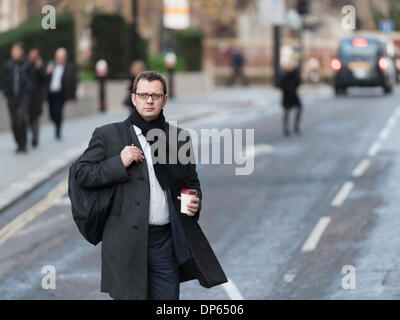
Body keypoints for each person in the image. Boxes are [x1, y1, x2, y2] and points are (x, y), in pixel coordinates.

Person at [73, 71, 227, 300]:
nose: (149, 100)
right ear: (133, 98)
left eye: (155, 95)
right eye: (143, 95)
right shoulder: (109, 135)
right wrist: (119, 162)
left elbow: (191, 182)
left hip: (165, 241)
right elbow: (81, 175)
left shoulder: (178, 138)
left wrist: (195, 201)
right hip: (125, 243)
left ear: (165, 99)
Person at [1, 42, 33, 153]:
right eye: (13, 50)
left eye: (16, 50)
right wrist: (5, 92)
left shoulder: (27, 64)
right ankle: (18, 143)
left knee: (20, 119)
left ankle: (23, 144)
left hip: (23, 96)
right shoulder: (7, 64)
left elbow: (31, 80)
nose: (14, 53)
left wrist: (28, 90)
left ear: (21, 52)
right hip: (11, 97)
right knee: (14, 121)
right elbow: (4, 80)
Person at [46, 47, 77, 140]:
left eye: (61, 57)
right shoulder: (51, 65)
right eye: (57, 57)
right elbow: (44, 78)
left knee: (58, 112)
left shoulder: (70, 67)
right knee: (51, 113)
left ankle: (58, 131)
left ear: (65, 57)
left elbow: (73, 82)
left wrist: (73, 96)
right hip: (51, 93)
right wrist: (47, 72)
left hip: (61, 93)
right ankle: (56, 124)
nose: (59, 59)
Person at [278, 52, 303, 137]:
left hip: (290, 92)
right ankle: (290, 128)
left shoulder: (291, 70)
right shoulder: (288, 71)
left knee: (290, 110)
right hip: (289, 93)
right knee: (289, 110)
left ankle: (291, 128)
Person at [27, 48, 46, 148]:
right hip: (28, 98)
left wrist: (38, 67)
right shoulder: (27, 65)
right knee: (29, 119)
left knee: (36, 119)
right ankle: (33, 136)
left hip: (37, 98)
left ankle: (35, 138)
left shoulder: (40, 65)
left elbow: (44, 78)